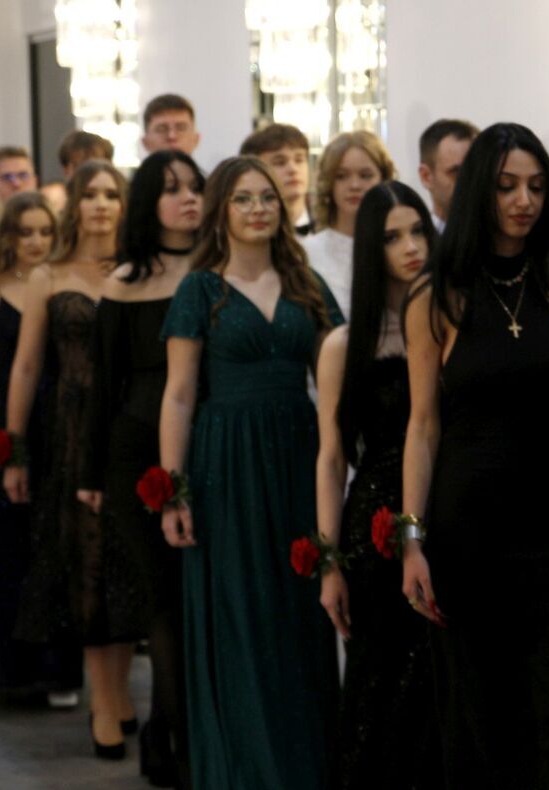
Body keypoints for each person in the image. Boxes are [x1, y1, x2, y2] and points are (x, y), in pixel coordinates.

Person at [400, 122, 549, 789]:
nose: (524, 201)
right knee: (483, 716)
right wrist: (411, 540)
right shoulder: (437, 294)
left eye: (537, 187)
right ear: (479, 190)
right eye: (508, 186)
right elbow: (422, 425)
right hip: (468, 528)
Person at [158, 156, 342, 788]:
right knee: (239, 611)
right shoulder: (199, 290)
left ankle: (303, 764)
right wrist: (174, 490)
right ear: (221, 210)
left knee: (297, 610)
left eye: (267, 197)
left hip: (296, 456)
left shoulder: (306, 283)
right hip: (225, 464)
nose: (259, 208)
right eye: (243, 198)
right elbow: (179, 394)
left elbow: (341, 371)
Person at [76, 150, 203, 786]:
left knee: (201, 599)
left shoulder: (220, 266)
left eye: (195, 186)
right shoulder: (125, 280)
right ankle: (172, 739)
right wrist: (91, 475)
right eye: (172, 188)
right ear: (149, 201)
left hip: (212, 445)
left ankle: (176, 732)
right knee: (164, 601)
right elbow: (104, 386)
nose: (188, 198)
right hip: (136, 451)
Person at [315, 181, 440, 789]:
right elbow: (331, 457)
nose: (411, 246)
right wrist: (329, 563)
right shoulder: (345, 344)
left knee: (441, 686)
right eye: (392, 237)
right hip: (375, 526)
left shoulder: (451, 326)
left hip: (449, 509)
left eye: (418, 231)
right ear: (371, 248)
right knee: (379, 682)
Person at [3, 161, 128, 756]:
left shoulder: (141, 270)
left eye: (111, 194)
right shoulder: (47, 275)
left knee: (126, 565)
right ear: (73, 205)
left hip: (129, 430)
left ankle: (120, 692)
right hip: (71, 434)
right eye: (90, 194)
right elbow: (27, 366)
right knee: (86, 565)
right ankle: (102, 701)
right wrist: (13, 449)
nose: (100, 204)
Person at [0, 192, 78, 695]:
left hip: (58, 422)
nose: (37, 241)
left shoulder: (64, 282)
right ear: (8, 235)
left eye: (45, 231)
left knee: (54, 542)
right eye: (26, 232)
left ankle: (58, 669)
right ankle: (4, 669)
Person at [305, 131, 395, 319]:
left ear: (383, 179)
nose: (354, 185)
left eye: (365, 175)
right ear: (329, 183)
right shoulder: (307, 253)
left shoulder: (397, 244)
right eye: (341, 176)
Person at [240, 123, 314, 242]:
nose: (293, 169)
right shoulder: (244, 234)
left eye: (299, 160)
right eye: (280, 162)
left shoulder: (332, 223)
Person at [417, 119, 478, 233]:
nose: (471, 181)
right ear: (426, 177)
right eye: (457, 173)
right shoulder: (420, 242)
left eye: (476, 171)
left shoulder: (501, 238)